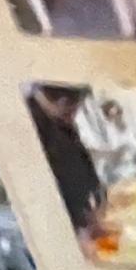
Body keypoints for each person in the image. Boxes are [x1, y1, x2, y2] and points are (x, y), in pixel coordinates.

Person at [29, 83, 105, 236]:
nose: (74, 115)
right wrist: (80, 219)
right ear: (63, 102)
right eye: (73, 109)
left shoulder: (57, 120)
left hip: (83, 212)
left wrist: (96, 192)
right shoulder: (35, 124)